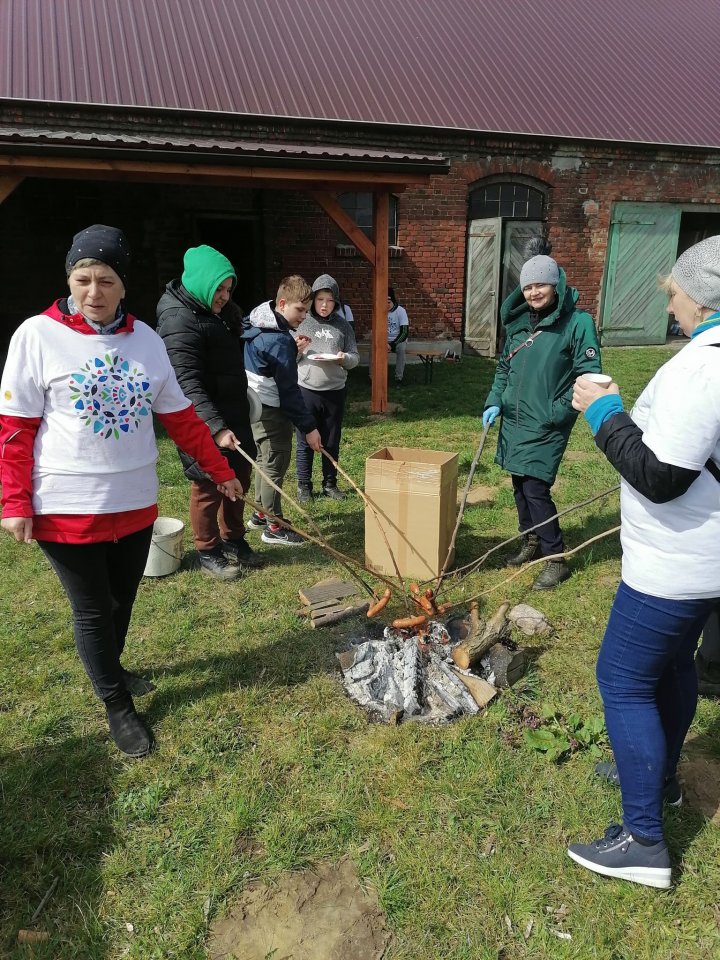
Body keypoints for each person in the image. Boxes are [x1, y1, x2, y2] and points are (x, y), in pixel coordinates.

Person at [0, 225, 242, 757]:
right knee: (92, 610)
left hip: (134, 503)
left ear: (123, 285)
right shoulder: (35, 336)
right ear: (69, 280)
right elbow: (15, 428)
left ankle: (113, 667)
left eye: (105, 280)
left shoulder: (148, 342)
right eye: (82, 279)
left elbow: (181, 416)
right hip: (66, 507)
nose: (94, 291)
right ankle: (116, 705)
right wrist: (14, 501)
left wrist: (218, 468)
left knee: (122, 600)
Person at [568, 235, 720, 888]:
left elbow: (660, 476)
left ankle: (643, 841)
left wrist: (603, 413)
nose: (672, 304)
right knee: (671, 669)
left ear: (702, 295)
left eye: (675, 294)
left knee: (623, 682)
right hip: (703, 564)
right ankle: (661, 782)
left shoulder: (704, 367)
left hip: (673, 566)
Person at [482, 253, 601, 590]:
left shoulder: (578, 323)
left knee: (535, 486)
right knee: (519, 484)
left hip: (547, 421)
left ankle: (555, 558)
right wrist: (495, 400)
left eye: (541, 285)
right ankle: (531, 540)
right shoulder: (520, 324)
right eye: (528, 286)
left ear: (555, 284)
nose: (534, 293)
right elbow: (505, 367)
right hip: (516, 419)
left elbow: (588, 375)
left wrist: (558, 411)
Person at [156, 245, 261, 581]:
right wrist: (214, 427)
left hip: (233, 411)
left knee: (240, 476)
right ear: (201, 283)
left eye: (229, 289)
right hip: (203, 419)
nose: (225, 296)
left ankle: (233, 539)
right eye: (219, 289)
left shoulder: (212, 312)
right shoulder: (178, 320)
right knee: (208, 484)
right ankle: (207, 549)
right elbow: (186, 382)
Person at [243, 276, 321, 545]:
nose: (303, 316)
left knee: (264, 462)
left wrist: (292, 351)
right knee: (274, 465)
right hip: (272, 410)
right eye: (300, 310)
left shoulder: (258, 323)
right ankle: (274, 526)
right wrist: (309, 427)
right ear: (283, 303)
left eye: (306, 311)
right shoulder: (277, 341)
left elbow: (270, 364)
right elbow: (288, 392)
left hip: (255, 406)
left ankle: (259, 514)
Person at [295, 274, 359, 501]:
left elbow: (355, 358)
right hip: (307, 390)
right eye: (320, 299)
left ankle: (330, 483)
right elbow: (288, 360)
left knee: (331, 439)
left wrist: (344, 359)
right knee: (305, 439)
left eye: (330, 300)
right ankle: (304, 485)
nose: (324, 305)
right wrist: (298, 351)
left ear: (336, 303)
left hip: (335, 391)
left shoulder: (343, 327)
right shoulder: (302, 323)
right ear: (313, 299)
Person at [387, 288, 409, 385]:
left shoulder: (401, 311)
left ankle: (398, 377)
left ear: (393, 301)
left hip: (398, 340)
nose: (386, 305)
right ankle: (373, 377)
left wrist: (392, 345)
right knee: (373, 349)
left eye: (388, 302)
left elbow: (404, 332)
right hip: (384, 340)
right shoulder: (380, 310)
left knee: (401, 349)